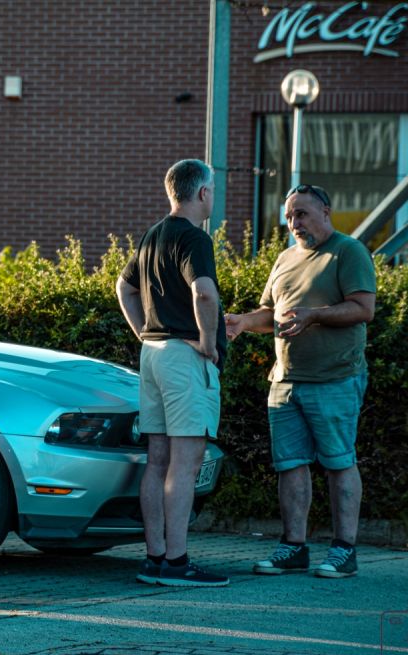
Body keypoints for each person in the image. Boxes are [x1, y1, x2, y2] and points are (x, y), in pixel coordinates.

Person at [225, 184, 376, 579]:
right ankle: (293, 547)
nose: (294, 223)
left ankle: (345, 550)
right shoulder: (285, 257)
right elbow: (270, 312)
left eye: (302, 214)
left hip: (335, 378)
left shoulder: (349, 251)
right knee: (290, 465)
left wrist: (315, 314)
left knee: (339, 463)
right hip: (285, 381)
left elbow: (364, 309)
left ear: (326, 211)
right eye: (290, 216)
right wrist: (243, 323)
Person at [116, 159, 229, 587]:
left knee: (157, 459)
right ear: (202, 193)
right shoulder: (194, 238)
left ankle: (155, 559)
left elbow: (122, 287)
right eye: (212, 190)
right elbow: (204, 291)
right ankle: (178, 564)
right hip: (183, 356)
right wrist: (206, 340)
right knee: (185, 461)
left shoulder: (152, 235)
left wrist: (142, 331)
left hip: (153, 353)